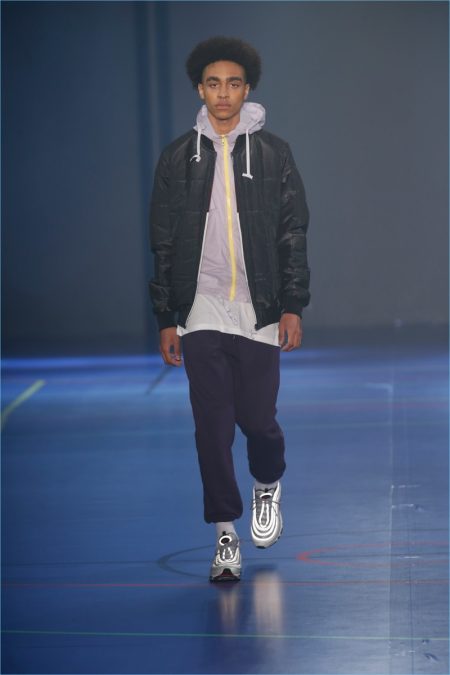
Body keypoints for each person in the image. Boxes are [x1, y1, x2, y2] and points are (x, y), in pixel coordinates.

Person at [149, 36, 310, 582]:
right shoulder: (177, 157)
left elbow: (292, 232)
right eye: (213, 83)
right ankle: (224, 533)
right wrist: (167, 317)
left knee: (258, 422)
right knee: (211, 429)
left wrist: (292, 305)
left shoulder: (274, 153)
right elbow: (163, 241)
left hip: (258, 308)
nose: (223, 93)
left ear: (248, 89)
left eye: (233, 83)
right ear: (200, 89)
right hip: (201, 309)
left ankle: (267, 485)